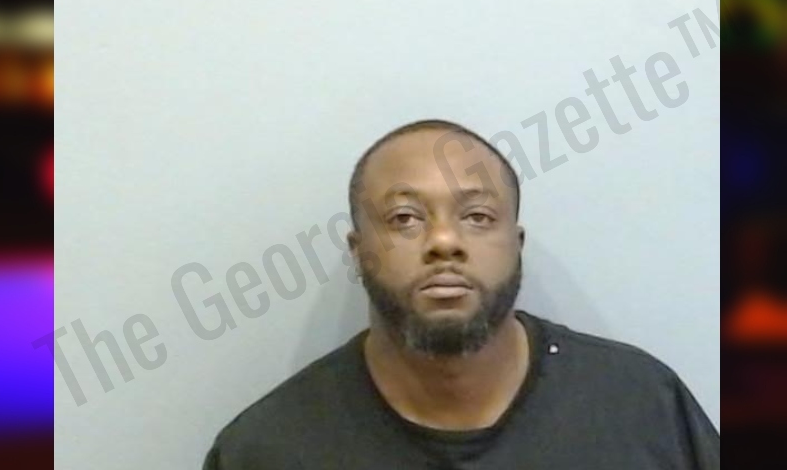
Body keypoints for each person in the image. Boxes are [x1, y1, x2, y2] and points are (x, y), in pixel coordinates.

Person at [203, 119, 719, 469]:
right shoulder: (267, 448)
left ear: (516, 245)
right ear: (359, 252)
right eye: (404, 218)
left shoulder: (641, 407)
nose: (444, 241)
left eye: (477, 216)